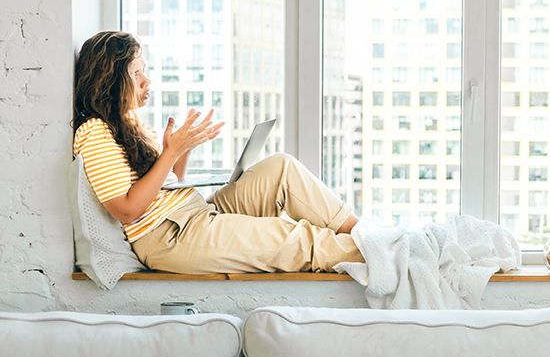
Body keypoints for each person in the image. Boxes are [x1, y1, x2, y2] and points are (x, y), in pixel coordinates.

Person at [71, 31, 363, 274]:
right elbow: (127, 210)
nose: (146, 81)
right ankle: (378, 253)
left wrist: (181, 151)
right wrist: (170, 154)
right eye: (136, 73)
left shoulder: (126, 122)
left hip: (194, 213)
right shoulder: (94, 132)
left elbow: (167, 184)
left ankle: (360, 233)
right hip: (171, 236)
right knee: (291, 238)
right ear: (109, 80)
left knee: (281, 169)